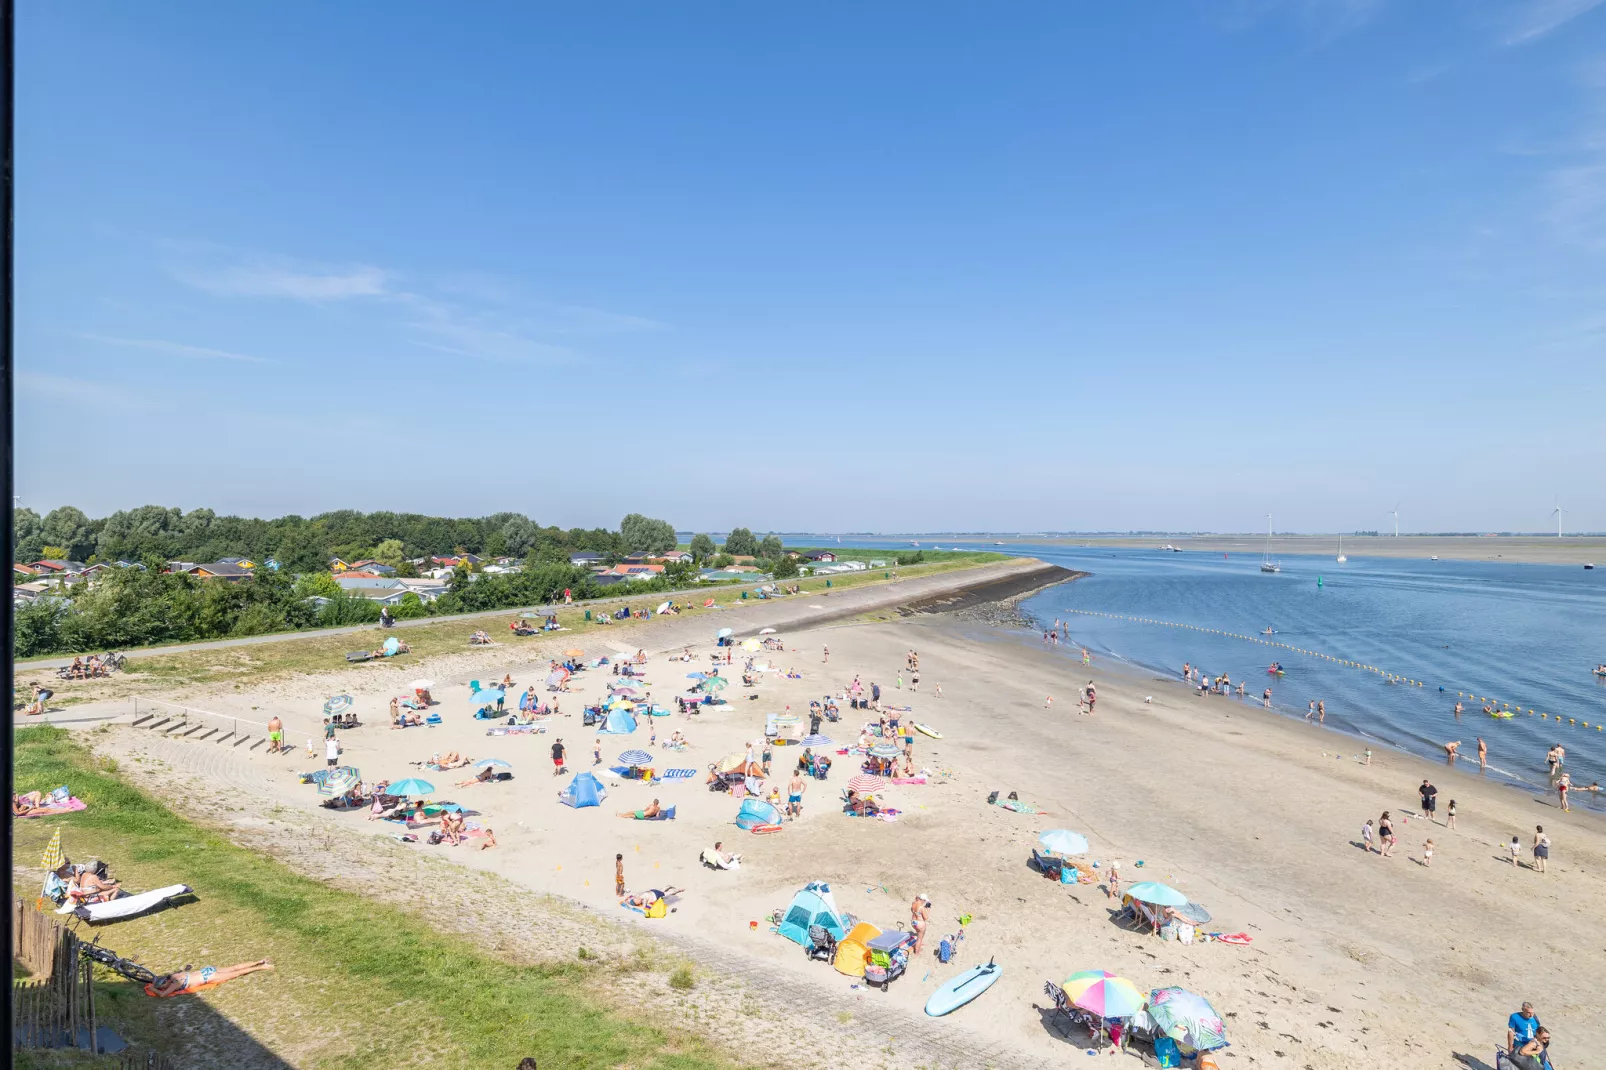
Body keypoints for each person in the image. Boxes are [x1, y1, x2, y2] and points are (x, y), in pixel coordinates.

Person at [146, 960, 274, 998]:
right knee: (235, 967)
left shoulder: (175, 983)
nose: (162, 987)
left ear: (165, 983)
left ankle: (262, 967)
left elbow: (163, 995)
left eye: (161, 985)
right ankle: (260, 961)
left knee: (238, 973)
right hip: (207, 970)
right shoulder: (174, 976)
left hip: (209, 976)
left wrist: (153, 989)